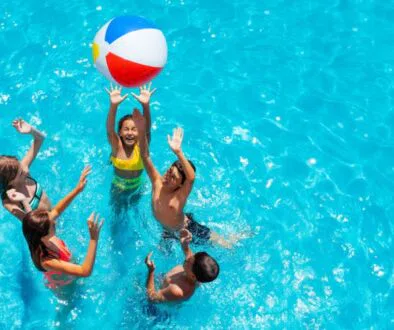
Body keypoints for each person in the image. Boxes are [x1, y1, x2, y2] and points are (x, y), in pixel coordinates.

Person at [133, 110, 233, 247]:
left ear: (180, 185)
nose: (167, 176)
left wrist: (178, 152)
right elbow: (145, 156)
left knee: (224, 244)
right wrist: (141, 130)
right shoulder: (157, 182)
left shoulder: (178, 197)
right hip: (166, 230)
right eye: (169, 171)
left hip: (186, 229)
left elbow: (191, 178)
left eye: (173, 177)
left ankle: (237, 237)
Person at [8, 166, 104, 289]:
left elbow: (57, 210)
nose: (56, 223)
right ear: (43, 236)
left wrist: (77, 189)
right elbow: (85, 271)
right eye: (52, 225)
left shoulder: (37, 233)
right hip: (65, 286)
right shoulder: (47, 260)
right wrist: (93, 238)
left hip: (66, 267)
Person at [105, 83, 156, 201]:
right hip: (117, 188)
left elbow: (146, 131)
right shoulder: (117, 147)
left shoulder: (141, 147)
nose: (130, 133)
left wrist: (145, 105)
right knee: (117, 215)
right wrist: (113, 106)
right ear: (120, 133)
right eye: (126, 129)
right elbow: (109, 131)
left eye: (134, 129)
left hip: (137, 188)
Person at [145, 229, 219, 302]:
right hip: (163, 281)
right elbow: (189, 255)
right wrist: (185, 244)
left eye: (188, 261)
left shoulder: (176, 290)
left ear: (193, 276)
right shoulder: (195, 270)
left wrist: (151, 271)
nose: (188, 258)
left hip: (156, 309)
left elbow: (151, 297)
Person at [1, 118, 51, 221]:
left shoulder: (23, 168)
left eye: (21, 167)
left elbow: (40, 139)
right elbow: (32, 224)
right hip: (44, 232)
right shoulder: (9, 201)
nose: (26, 170)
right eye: (21, 174)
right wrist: (23, 200)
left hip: (55, 215)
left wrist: (31, 131)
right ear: (10, 182)